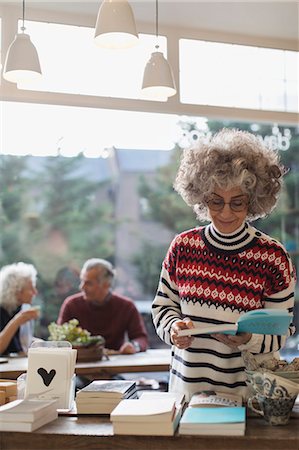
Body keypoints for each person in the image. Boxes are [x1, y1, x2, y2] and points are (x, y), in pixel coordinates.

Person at [152, 128, 296, 401]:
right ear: (201, 198)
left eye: (237, 202)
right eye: (216, 201)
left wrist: (249, 339)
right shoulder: (183, 247)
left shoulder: (273, 257)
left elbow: (281, 332)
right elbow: (163, 307)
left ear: (254, 200)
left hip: (249, 396)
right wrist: (173, 329)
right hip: (187, 393)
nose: (226, 212)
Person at [57, 258, 148, 354]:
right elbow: (59, 340)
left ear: (106, 285)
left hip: (116, 363)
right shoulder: (71, 305)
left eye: (88, 283)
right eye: (82, 281)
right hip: (81, 362)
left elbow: (141, 338)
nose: (82, 287)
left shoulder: (127, 306)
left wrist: (134, 346)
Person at [0, 262, 39, 355]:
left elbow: (22, 342)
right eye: (31, 289)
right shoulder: (2, 310)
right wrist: (17, 320)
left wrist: (44, 345)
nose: (35, 292)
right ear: (17, 291)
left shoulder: (22, 308)